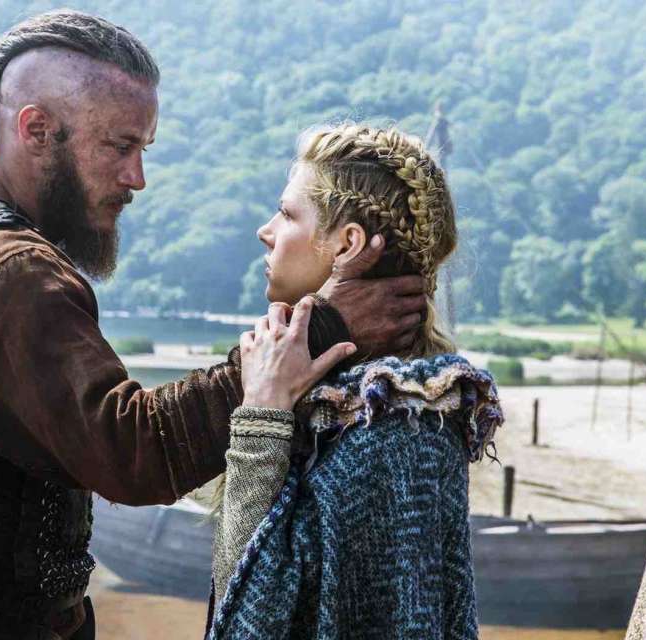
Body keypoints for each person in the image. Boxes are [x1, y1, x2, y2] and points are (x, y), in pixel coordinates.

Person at [0, 12, 428, 640]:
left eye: (142, 149)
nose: (136, 177)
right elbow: (133, 450)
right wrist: (320, 329)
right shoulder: (12, 274)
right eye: (119, 147)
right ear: (36, 129)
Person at [207, 124, 505, 639]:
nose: (266, 230)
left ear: (347, 244)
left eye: (287, 214)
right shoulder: (345, 404)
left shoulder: (398, 430)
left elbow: (252, 618)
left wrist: (261, 416)